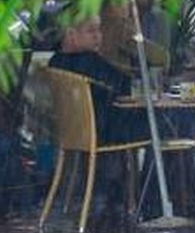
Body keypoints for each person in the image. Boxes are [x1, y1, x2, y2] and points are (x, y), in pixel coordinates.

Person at [48, 14, 147, 144]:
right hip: (104, 130)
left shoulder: (55, 62)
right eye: (91, 31)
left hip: (72, 131)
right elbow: (126, 86)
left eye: (99, 30)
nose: (98, 36)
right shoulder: (89, 62)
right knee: (169, 121)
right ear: (71, 34)